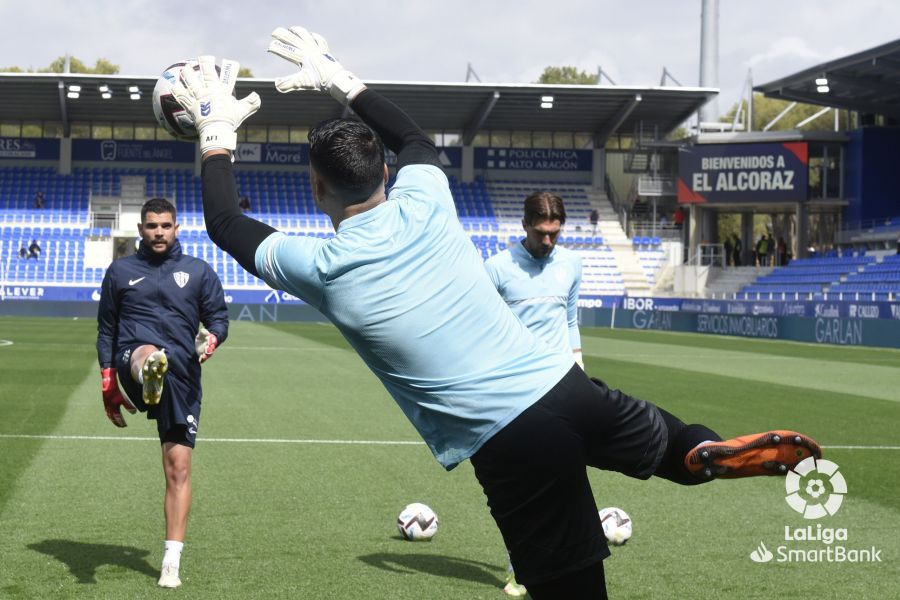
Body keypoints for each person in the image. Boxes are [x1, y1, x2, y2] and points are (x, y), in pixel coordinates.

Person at [172, 33, 821, 599]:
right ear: (387, 172)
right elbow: (415, 137)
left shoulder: (321, 269)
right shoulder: (427, 194)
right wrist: (341, 79)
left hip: (510, 439)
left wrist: (215, 132)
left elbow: (226, 223)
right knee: (674, 445)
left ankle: (687, 458)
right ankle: (696, 451)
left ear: (316, 189)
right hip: (564, 387)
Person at [96, 197, 229, 589]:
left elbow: (218, 318)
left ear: (176, 228)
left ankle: (171, 561)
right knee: (148, 353)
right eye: (151, 226)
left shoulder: (198, 272)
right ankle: (147, 371)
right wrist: (109, 383)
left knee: (178, 469)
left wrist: (213, 339)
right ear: (140, 229)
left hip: (183, 377)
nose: (158, 232)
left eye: (165, 225)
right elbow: (106, 329)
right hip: (131, 358)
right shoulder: (121, 272)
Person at [483, 190, 583, 596]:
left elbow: (571, 319)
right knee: (523, 487)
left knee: (565, 479)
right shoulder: (497, 268)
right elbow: (485, 329)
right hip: (515, 390)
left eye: (554, 234)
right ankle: (519, 568)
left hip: (563, 385)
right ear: (525, 225)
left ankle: (567, 564)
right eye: (541, 233)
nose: (548, 242)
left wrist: (580, 370)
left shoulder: (572, 265)